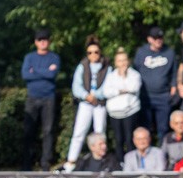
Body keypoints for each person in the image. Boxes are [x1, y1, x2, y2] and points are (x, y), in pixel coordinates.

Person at [63, 36, 110, 170]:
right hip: (86, 103)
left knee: (100, 132)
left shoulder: (107, 67)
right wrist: (86, 95)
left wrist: (97, 95)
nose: (93, 55)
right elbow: (76, 86)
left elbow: (108, 84)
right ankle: (71, 161)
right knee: (79, 132)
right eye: (90, 52)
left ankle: (100, 160)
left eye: (96, 52)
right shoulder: (82, 66)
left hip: (100, 103)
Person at [20, 30, 61, 170]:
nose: (43, 42)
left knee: (48, 131)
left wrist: (35, 71)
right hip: (32, 97)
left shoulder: (54, 57)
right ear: (35, 42)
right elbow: (25, 75)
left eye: (45, 39)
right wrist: (45, 71)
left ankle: (46, 162)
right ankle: (27, 162)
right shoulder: (29, 57)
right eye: (40, 40)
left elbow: (52, 75)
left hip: (49, 97)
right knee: (29, 130)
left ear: (49, 41)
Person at [133, 27, 179, 140]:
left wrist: (174, 86)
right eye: (155, 38)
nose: (158, 40)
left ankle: (163, 152)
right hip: (145, 96)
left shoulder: (169, 52)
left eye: (160, 38)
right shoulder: (141, 52)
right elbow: (135, 71)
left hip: (163, 96)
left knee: (163, 127)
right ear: (149, 39)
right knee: (145, 127)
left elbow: (174, 72)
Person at [102, 47, 144, 158]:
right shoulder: (111, 76)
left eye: (124, 60)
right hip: (115, 113)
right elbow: (106, 92)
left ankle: (131, 162)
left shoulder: (134, 75)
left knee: (130, 138)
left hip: (130, 111)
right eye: (120, 60)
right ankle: (120, 163)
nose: (122, 63)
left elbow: (134, 87)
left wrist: (121, 84)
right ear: (116, 63)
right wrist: (121, 90)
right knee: (118, 139)